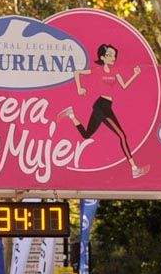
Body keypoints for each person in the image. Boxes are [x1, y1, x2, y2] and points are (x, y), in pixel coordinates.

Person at [59, 43, 149, 178]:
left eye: (114, 55)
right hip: (101, 106)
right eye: (109, 55)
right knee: (122, 136)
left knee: (87, 135)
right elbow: (77, 72)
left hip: (106, 106)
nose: (113, 57)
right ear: (102, 57)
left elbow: (124, 86)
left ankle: (71, 115)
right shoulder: (97, 70)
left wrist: (135, 74)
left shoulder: (115, 71)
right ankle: (134, 168)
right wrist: (79, 88)